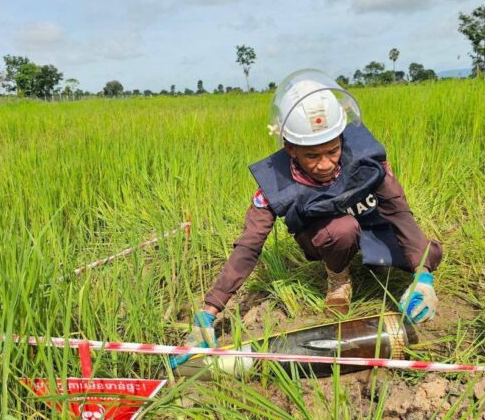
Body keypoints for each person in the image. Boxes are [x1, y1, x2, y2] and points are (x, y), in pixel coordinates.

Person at [170, 69, 442, 368]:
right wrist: (209, 309)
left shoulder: (367, 161)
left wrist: (423, 275)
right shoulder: (276, 184)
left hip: (372, 223)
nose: (325, 164)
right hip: (328, 234)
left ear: (341, 139)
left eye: (333, 151)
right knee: (341, 230)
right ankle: (338, 276)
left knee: (430, 253)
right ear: (290, 149)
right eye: (312, 156)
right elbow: (248, 247)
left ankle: (398, 268)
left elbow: (399, 213)